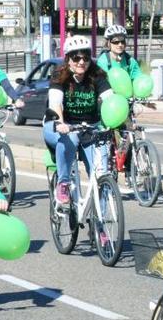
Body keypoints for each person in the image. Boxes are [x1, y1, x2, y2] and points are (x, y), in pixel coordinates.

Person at [42, 35, 113, 206]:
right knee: (70, 139)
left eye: (86, 57)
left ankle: (102, 226)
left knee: (101, 177)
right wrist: (61, 123)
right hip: (60, 125)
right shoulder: (59, 75)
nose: (81, 62)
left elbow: (110, 99)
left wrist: (119, 121)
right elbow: (56, 103)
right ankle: (64, 183)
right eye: (76, 57)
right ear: (68, 59)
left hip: (90, 128)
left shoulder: (97, 75)